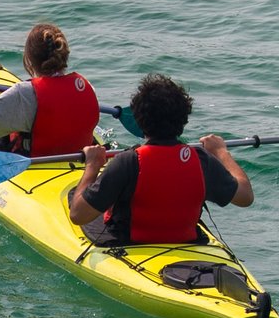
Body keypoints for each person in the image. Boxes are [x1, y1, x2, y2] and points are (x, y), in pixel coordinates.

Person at [73, 73, 253, 249]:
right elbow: (245, 197)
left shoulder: (127, 162)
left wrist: (93, 165)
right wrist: (221, 152)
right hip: (187, 243)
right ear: (183, 119)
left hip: (130, 243)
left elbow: (78, 215)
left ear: (139, 120)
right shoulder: (201, 160)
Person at [0, 23, 106, 162]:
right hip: (79, 158)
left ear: (28, 58)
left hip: (35, 161)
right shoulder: (86, 85)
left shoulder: (24, 93)